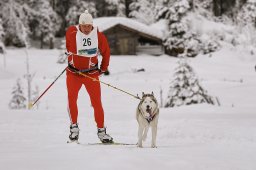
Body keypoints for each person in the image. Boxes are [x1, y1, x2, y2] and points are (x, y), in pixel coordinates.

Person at [65, 10, 113, 143]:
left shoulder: (98, 36)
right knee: (72, 100)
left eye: (89, 26)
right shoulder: (71, 32)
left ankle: (102, 132)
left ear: (92, 25)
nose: (86, 29)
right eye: (83, 26)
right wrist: (70, 57)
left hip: (91, 74)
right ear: (79, 25)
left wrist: (103, 69)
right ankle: (74, 129)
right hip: (73, 73)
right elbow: (69, 47)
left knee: (97, 103)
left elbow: (106, 52)